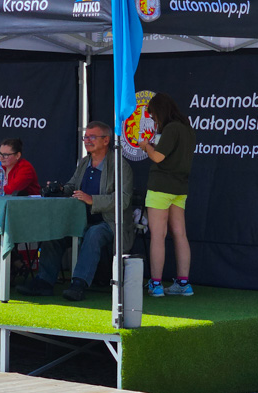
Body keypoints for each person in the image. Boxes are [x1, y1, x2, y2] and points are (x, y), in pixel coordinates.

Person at [17, 122, 134, 301]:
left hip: (108, 222)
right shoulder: (85, 162)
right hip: (79, 218)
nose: (87, 141)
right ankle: (44, 282)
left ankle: (79, 283)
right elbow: (73, 186)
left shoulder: (119, 165)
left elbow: (123, 199)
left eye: (92, 137)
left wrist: (92, 200)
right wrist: (60, 188)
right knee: (56, 231)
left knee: (94, 233)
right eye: (85, 137)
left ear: (106, 140)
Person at [139, 93, 196, 297]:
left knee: (158, 235)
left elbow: (158, 157)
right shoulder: (187, 129)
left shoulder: (171, 129)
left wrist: (146, 146)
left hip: (161, 188)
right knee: (180, 234)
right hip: (180, 188)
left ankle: (155, 284)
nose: (154, 121)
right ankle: (183, 283)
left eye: (154, 117)